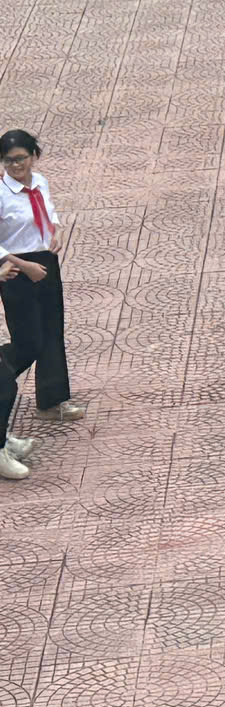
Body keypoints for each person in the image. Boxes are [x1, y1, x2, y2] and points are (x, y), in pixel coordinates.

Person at [0, 128, 82, 480]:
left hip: (45, 262)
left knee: (52, 331)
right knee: (28, 341)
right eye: (8, 161)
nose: (15, 166)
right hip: (16, 269)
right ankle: (3, 374)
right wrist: (24, 265)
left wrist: (57, 232)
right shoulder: (1, 193)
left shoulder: (40, 182)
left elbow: (49, 215)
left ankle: (51, 400)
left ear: (34, 156)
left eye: (21, 158)